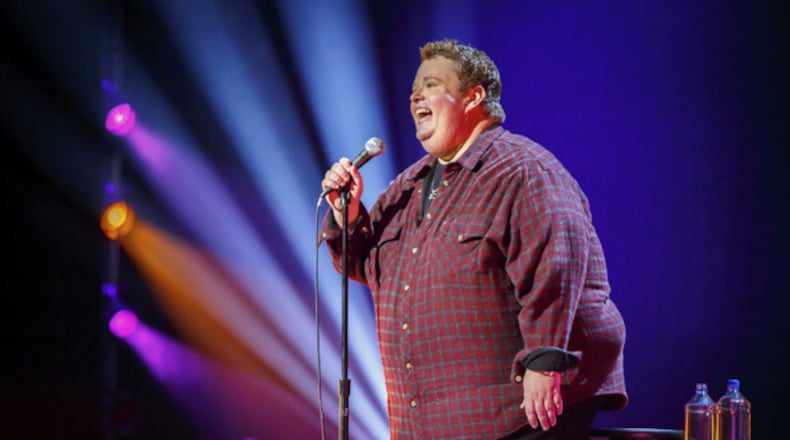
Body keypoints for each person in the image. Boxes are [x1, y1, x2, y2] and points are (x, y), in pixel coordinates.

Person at [319, 38, 627, 440]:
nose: (415, 96)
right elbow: (364, 265)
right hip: (436, 422)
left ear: (473, 97)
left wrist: (544, 361)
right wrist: (347, 214)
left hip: (519, 414)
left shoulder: (522, 169)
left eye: (430, 84)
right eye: (414, 89)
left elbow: (556, 263)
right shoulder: (407, 188)